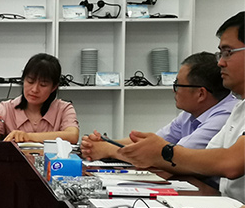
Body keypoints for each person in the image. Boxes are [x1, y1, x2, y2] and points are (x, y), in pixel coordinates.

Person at [120, 12, 245, 203]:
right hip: (228, 207)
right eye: (220, 54)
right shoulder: (240, 107)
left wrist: (163, 152)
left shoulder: (228, 109)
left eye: (228, 52)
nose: (220, 62)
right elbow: (206, 159)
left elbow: (230, 163)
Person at [81, 52, 236, 160]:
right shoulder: (190, 113)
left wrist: (108, 150)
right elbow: (155, 142)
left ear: (200, 94)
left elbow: (173, 156)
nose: (173, 90)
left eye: (178, 85)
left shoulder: (226, 116)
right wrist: (105, 143)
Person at [0, 53, 79, 143]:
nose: (34, 89)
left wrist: (28, 136)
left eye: (43, 85)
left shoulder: (64, 109)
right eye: (30, 81)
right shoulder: (6, 108)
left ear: (54, 87)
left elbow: (73, 135)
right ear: (23, 80)